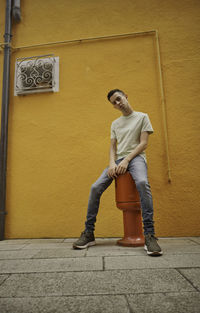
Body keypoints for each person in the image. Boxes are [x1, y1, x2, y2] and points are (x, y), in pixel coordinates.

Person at [73, 89, 162, 256]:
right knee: (95, 187)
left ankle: (149, 235)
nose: (117, 103)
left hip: (136, 159)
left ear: (126, 96)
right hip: (118, 160)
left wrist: (127, 160)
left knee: (142, 183)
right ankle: (88, 233)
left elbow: (143, 144)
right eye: (114, 103)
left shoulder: (142, 117)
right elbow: (113, 147)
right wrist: (112, 163)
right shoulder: (115, 124)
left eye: (119, 99)